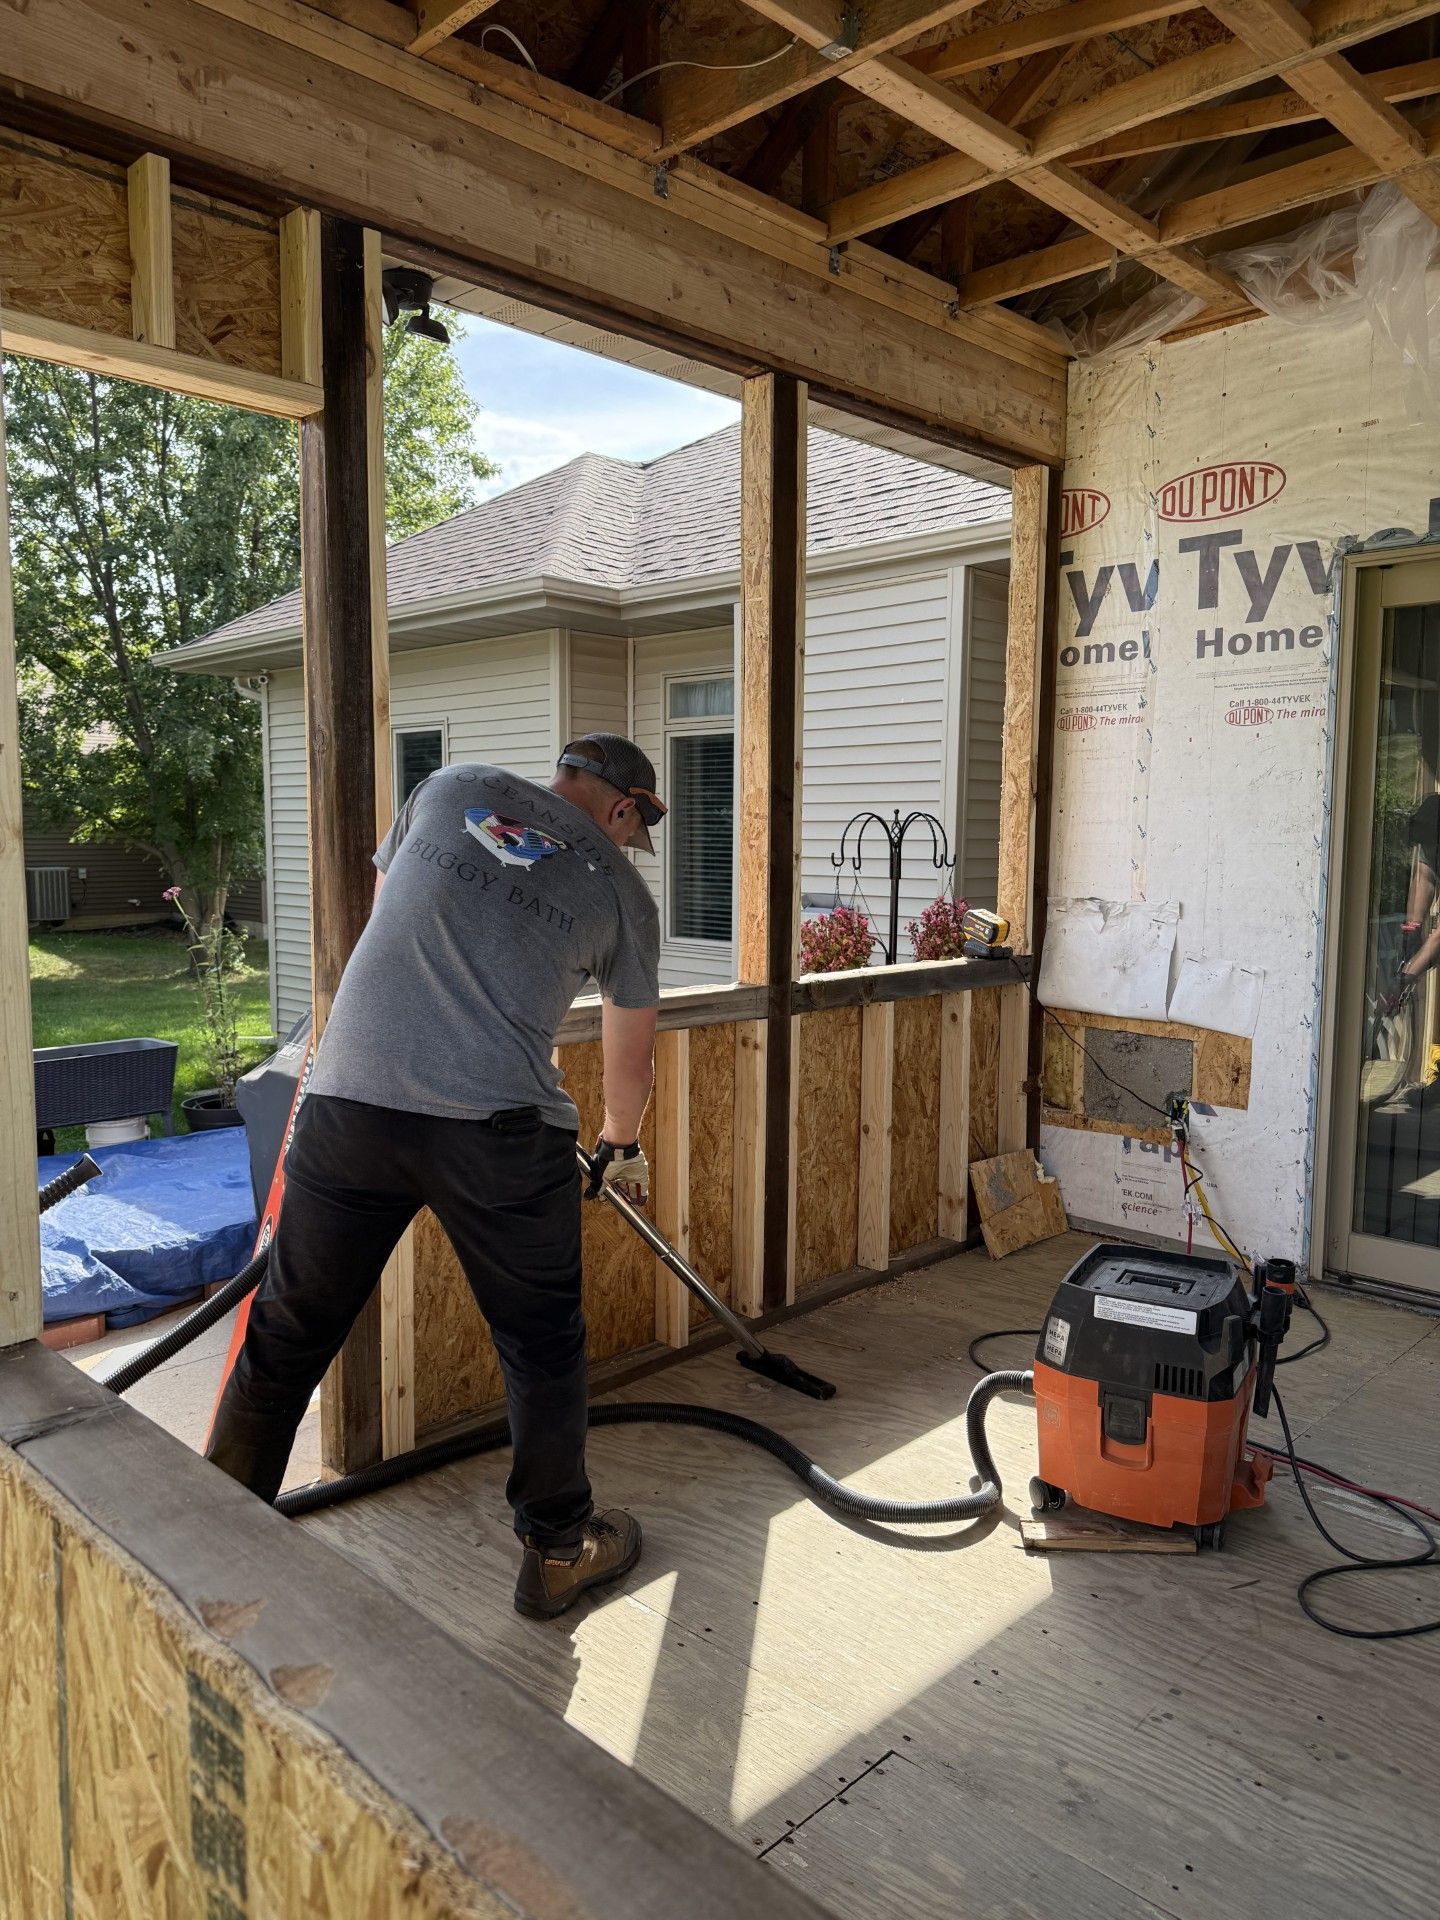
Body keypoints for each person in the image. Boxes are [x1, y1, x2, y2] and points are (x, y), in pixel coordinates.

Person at [206, 734, 664, 1620]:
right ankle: (560, 1552)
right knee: (539, 1345)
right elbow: (629, 1052)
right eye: (631, 829)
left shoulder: (450, 787)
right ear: (622, 809)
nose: (626, 844)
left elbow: (398, 923)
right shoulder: (616, 887)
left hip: (348, 1105)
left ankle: (215, 1538)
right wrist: (619, 1141)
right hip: (496, 1134)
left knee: (290, 1329)